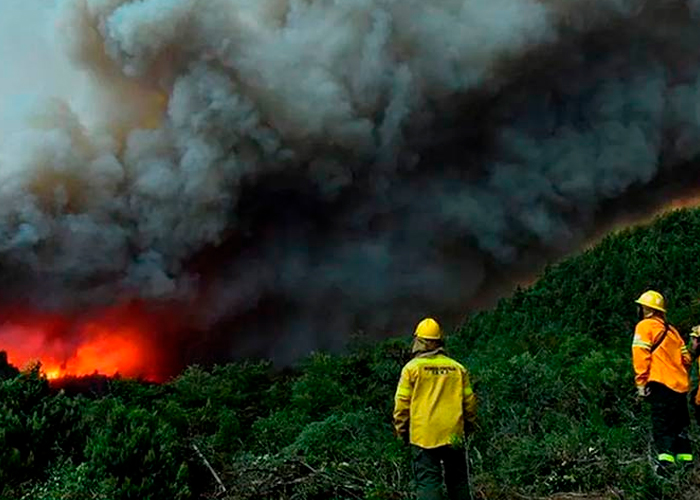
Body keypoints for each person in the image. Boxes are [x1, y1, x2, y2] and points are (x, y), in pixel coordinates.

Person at [393, 317, 477, 500]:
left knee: (428, 482)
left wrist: (401, 431)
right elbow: (469, 402)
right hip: (454, 433)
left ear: (419, 341)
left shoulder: (411, 369)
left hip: (423, 436)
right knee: (458, 481)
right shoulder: (457, 368)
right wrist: (469, 427)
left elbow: (401, 405)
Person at [632, 290, 692, 476]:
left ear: (647, 309)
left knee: (663, 426)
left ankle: (666, 469)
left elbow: (641, 355)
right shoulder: (672, 331)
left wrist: (641, 384)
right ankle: (687, 465)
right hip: (680, 387)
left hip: (661, 385)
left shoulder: (644, 327)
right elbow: (687, 359)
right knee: (680, 427)